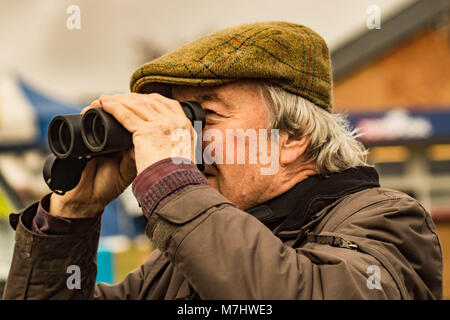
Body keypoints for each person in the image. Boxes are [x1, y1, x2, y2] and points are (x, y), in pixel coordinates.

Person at [2, 22, 443, 299]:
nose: (187, 140)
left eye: (203, 116)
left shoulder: (387, 221)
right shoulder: (183, 258)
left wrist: (171, 183)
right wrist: (71, 219)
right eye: (178, 116)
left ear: (291, 136)